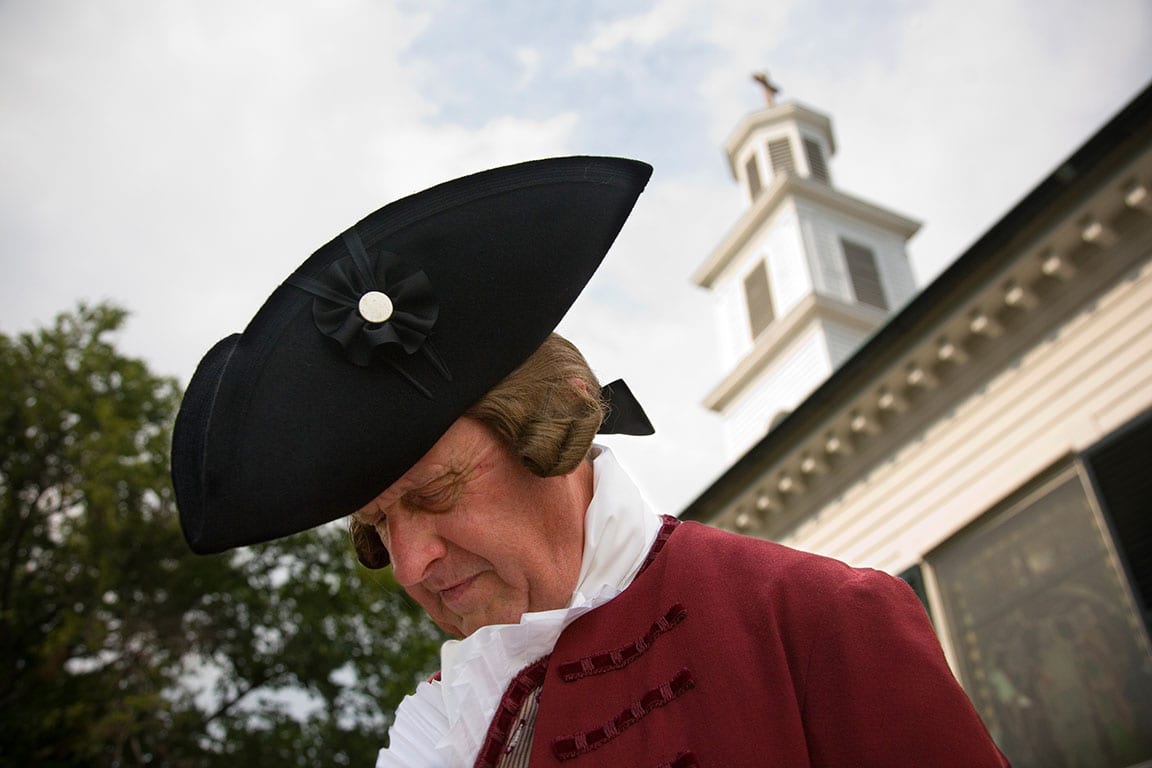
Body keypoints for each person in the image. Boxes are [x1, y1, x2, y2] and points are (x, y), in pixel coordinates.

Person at [172, 157, 1011, 767]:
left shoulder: (814, 618)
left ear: (550, 431)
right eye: (378, 527)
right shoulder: (440, 727)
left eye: (436, 491)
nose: (412, 563)